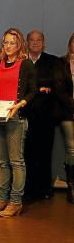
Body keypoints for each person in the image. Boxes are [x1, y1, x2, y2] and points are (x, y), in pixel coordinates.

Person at [0, 28, 37, 217]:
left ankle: (15, 202)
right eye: (5, 42)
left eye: (12, 43)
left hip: (16, 118)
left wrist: (19, 104)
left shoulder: (26, 65)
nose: (8, 46)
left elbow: (33, 91)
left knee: (16, 162)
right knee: (1, 162)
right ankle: (1, 199)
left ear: (20, 45)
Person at [24, 30, 59, 199]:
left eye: (39, 40)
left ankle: (45, 188)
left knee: (45, 152)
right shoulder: (21, 62)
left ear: (43, 43)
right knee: (26, 153)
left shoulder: (53, 61)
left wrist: (36, 89)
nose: (35, 43)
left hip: (46, 116)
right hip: (25, 115)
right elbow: (23, 87)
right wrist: (39, 89)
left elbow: (55, 87)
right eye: (32, 40)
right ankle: (28, 188)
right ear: (27, 42)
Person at [54, 33, 74, 204]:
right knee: (72, 148)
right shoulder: (62, 63)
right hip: (68, 112)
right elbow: (59, 89)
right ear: (70, 44)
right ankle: (71, 186)